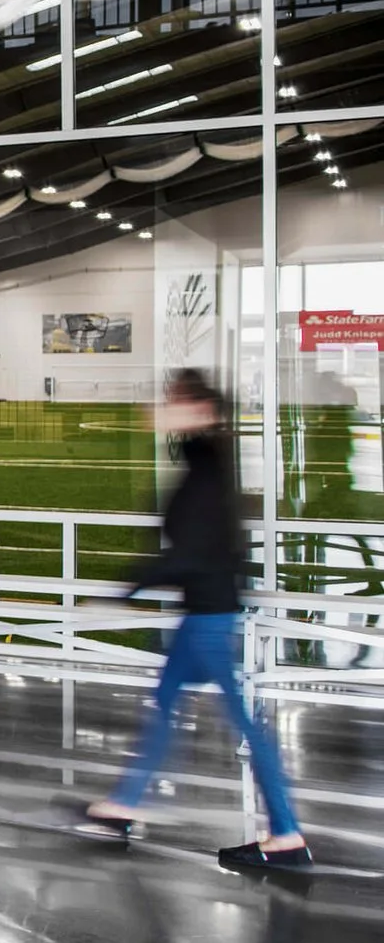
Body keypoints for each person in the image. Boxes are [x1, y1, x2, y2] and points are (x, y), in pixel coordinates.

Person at [85, 368, 311, 868]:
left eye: (174, 400)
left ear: (202, 412)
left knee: (245, 729)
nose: (162, 407)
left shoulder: (205, 472)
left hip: (208, 620)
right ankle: (123, 803)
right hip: (203, 615)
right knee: (166, 704)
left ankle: (287, 834)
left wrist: (126, 588)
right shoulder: (204, 463)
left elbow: (190, 553)